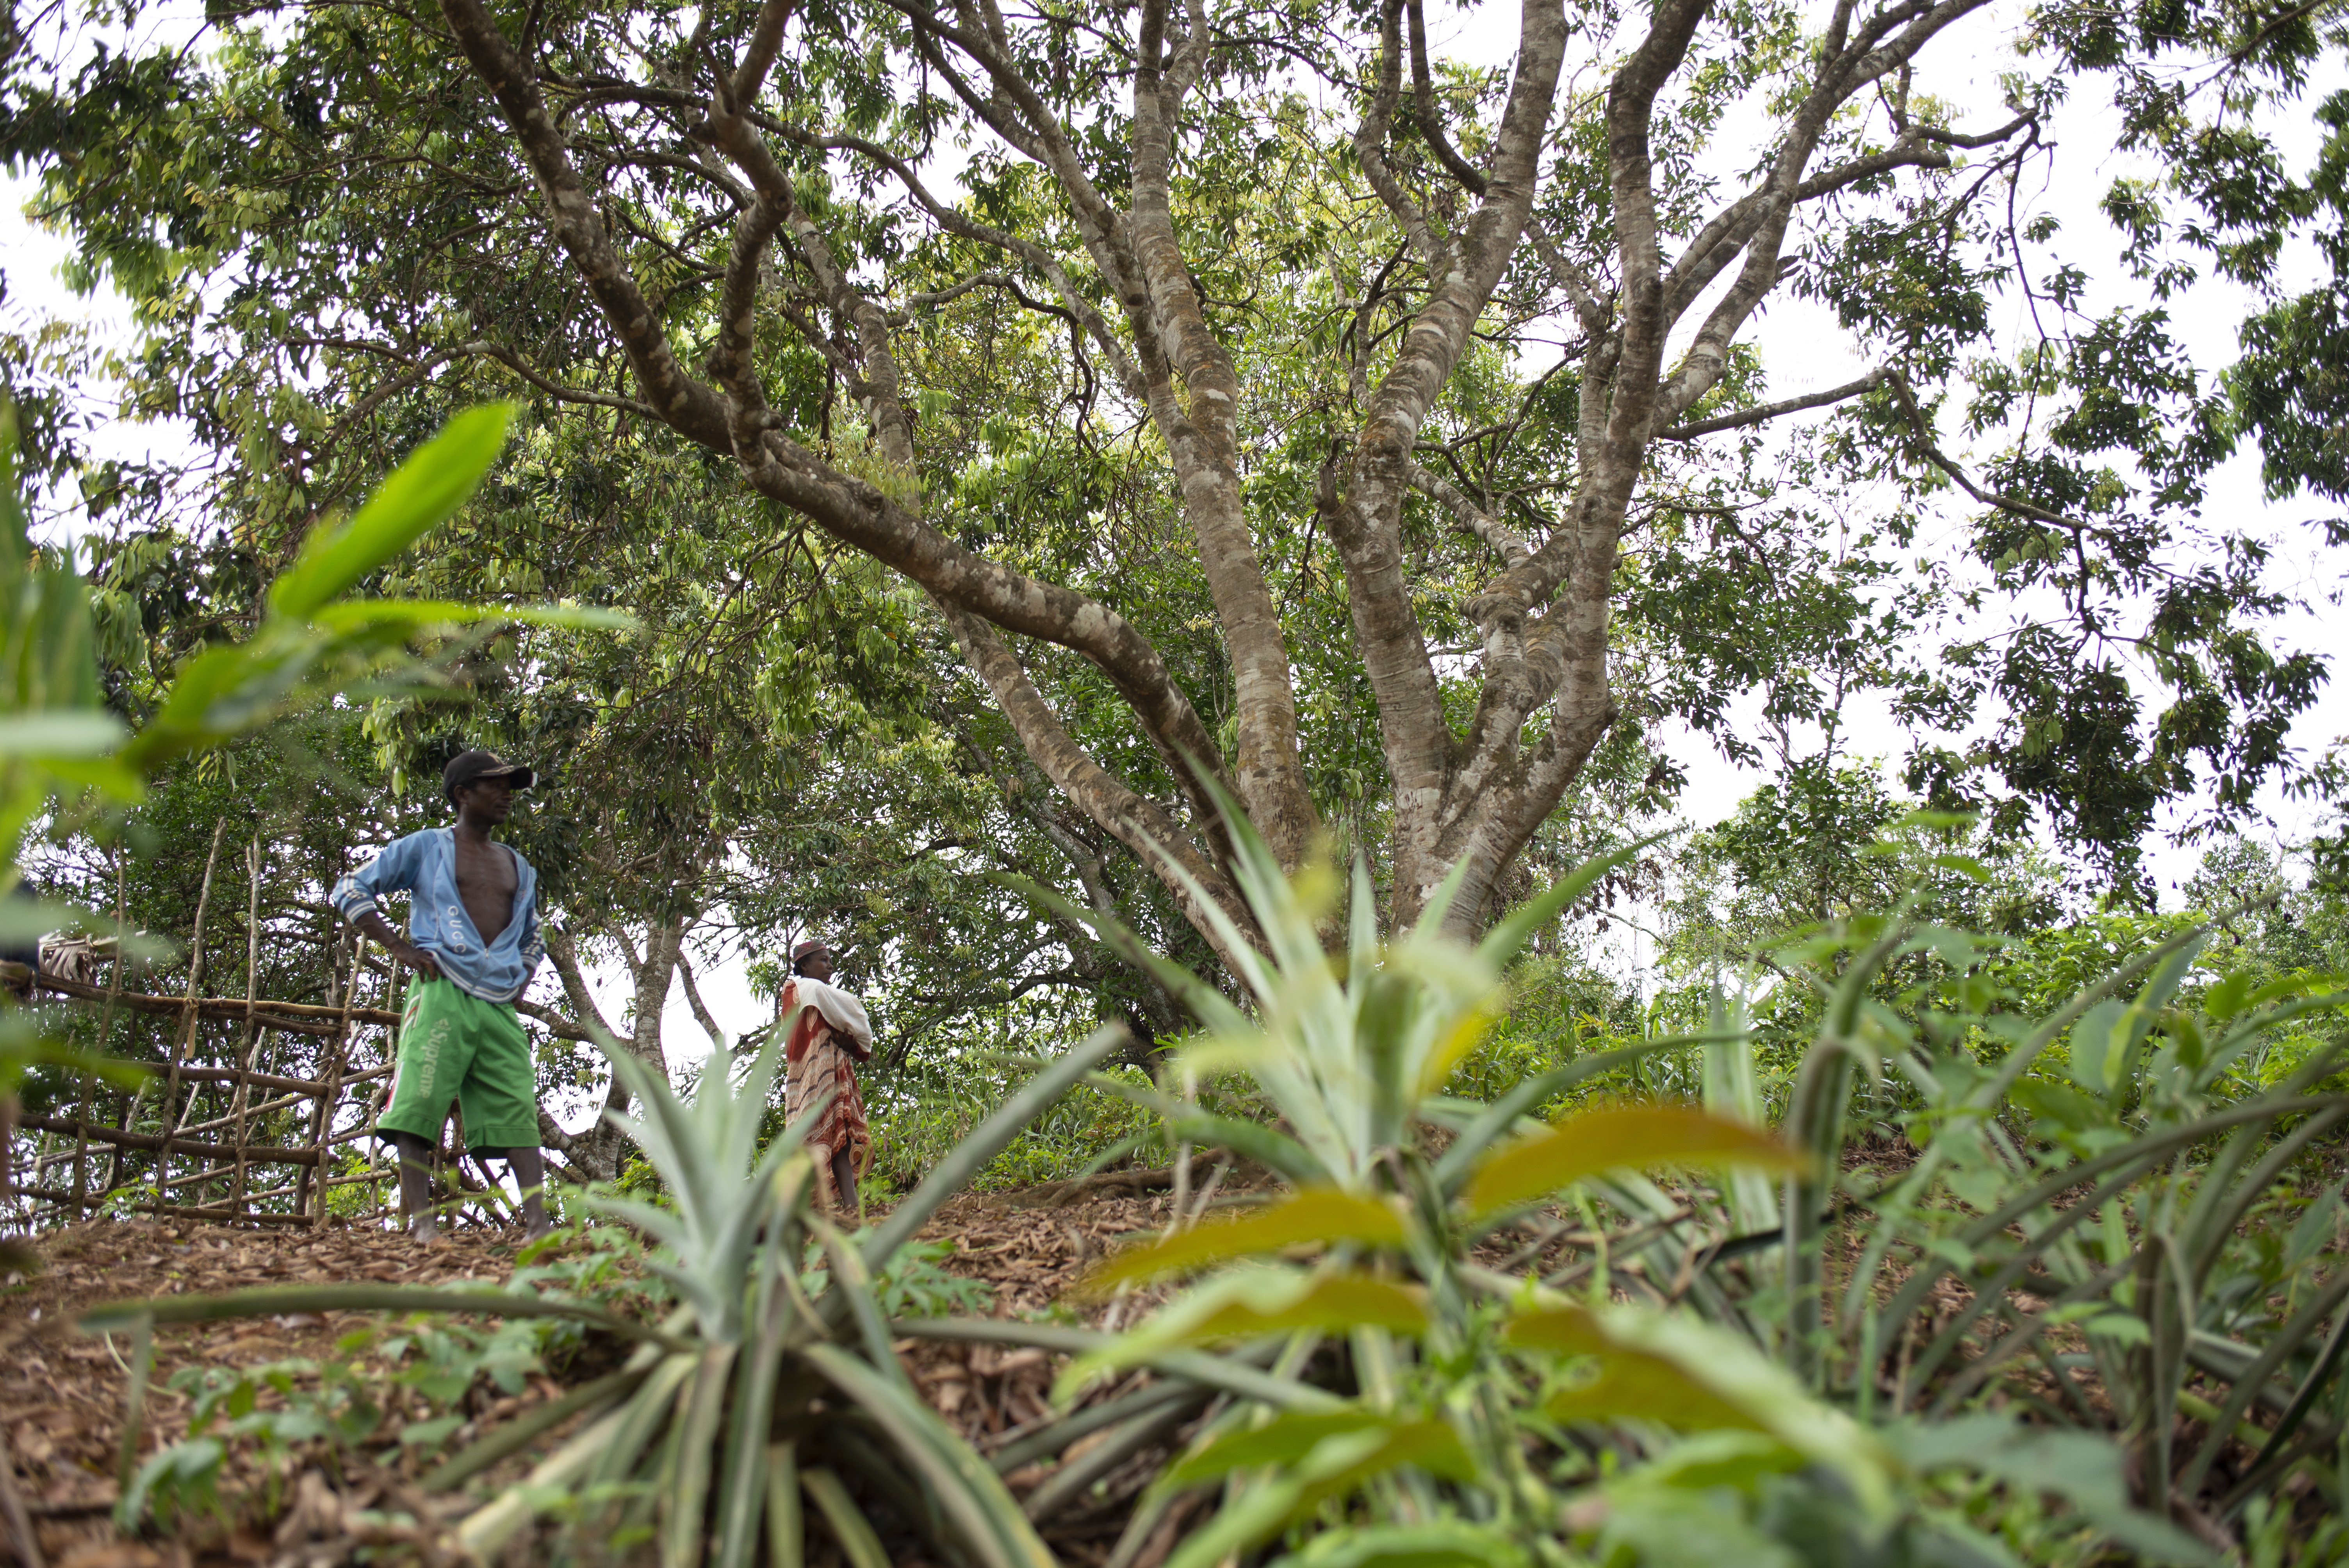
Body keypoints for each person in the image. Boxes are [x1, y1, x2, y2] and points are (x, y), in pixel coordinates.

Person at [332, 749, 551, 1241]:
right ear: (462, 794)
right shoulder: (426, 847)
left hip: (498, 1003)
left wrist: (524, 976)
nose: (507, 795)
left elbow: (535, 931)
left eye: (510, 785)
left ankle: (538, 1226)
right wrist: (396, 946)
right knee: (420, 1098)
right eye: (495, 785)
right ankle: (424, 1226)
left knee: (516, 1106)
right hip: (440, 989)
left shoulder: (520, 867)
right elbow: (350, 886)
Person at [778, 940, 873, 1218]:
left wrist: (846, 1040)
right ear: (804, 966)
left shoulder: (805, 992)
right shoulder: (806, 989)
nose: (830, 965)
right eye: (823, 960)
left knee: (837, 1136)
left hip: (821, 1070)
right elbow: (853, 1013)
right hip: (816, 1071)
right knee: (820, 1138)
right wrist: (850, 1038)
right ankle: (800, 1210)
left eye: (831, 960)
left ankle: (850, 1206)